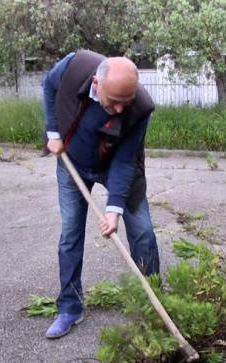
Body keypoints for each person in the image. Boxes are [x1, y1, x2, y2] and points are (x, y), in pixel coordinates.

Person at [42, 50, 160, 338]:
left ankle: (153, 306)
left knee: (142, 231)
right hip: (73, 162)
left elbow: (124, 160)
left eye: (126, 102)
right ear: (96, 84)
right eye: (114, 102)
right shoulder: (74, 67)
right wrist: (53, 132)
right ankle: (70, 307)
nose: (120, 110)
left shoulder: (140, 107)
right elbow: (48, 85)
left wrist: (114, 208)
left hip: (115, 166)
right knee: (70, 233)